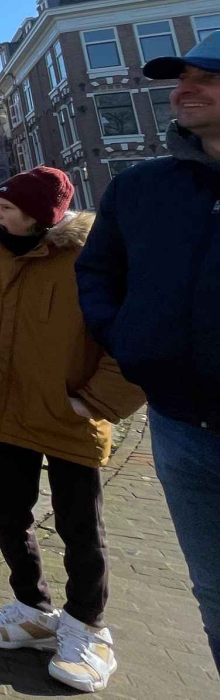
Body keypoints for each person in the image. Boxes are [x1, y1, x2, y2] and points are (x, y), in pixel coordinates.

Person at [0, 166, 144, 693]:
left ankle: (86, 627)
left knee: (80, 523)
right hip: (3, 409)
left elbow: (133, 331)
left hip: (68, 414)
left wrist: (97, 401)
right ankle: (32, 607)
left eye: (8, 206)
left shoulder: (90, 257)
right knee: (3, 505)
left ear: (40, 213)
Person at [76, 34, 220, 673]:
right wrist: (129, 341)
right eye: (179, 76)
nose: (182, 89)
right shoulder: (139, 189)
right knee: (214, 592)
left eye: (206, 78)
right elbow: (99, 273)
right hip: (180, 423)